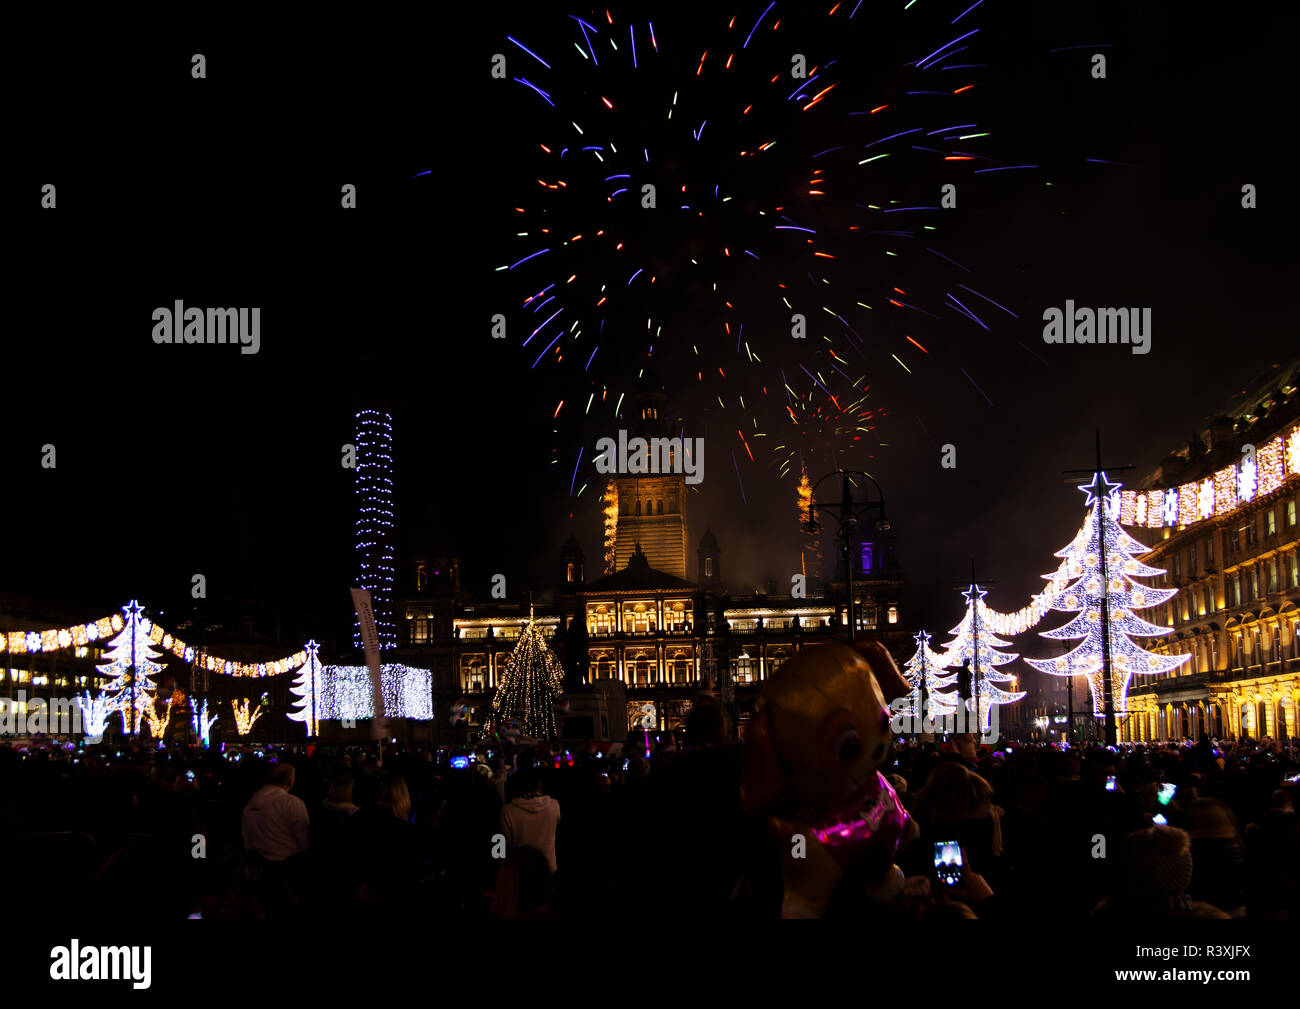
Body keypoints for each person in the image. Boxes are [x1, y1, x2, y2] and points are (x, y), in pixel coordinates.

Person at [241, 762, 310, 862]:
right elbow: (303, 839)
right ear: (290, 781)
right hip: (285, 863)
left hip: (255, 863)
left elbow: (245, 835)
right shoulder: (292, 803)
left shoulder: (252, 801)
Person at [499, 763, 561, 873]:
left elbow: (500, 848)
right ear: (539, 784)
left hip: (519, 872)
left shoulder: (508, 811)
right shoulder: (554, 805)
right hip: (548, 868)